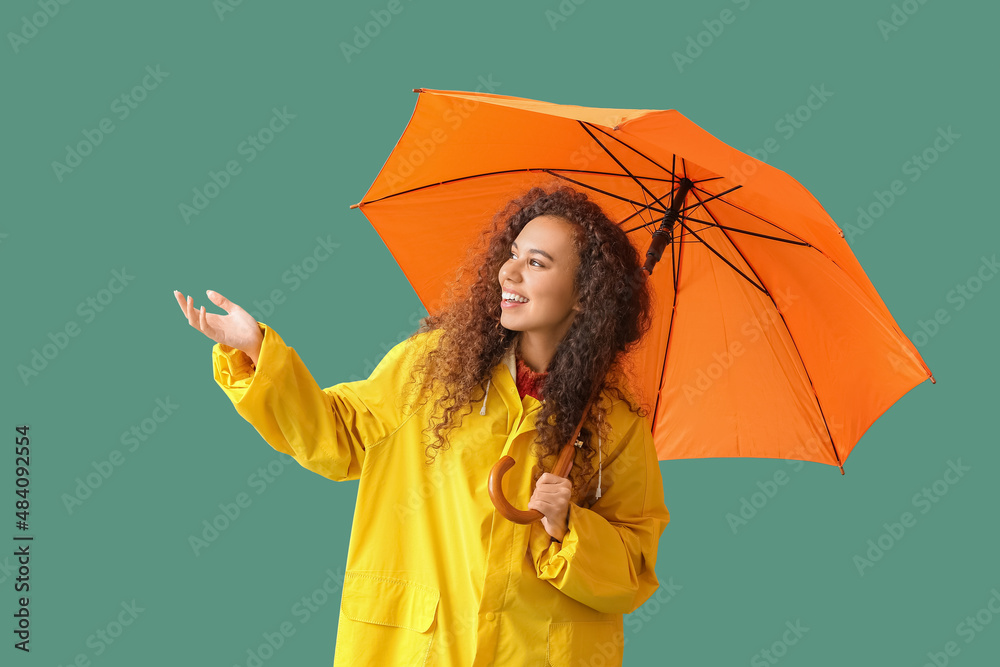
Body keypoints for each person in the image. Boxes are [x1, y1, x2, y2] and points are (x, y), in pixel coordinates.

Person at [174, 183, 670, 666]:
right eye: (513, 254)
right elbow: (337, 435)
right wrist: (258, 351)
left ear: (585, 295)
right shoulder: (433, 368)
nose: (508, 273)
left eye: (536, 263)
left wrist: (570, 526)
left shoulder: (615, 424)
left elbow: (634, 572)